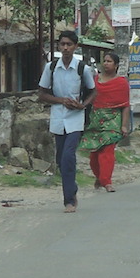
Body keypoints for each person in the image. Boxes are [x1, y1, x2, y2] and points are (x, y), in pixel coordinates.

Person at [38, 31, 95, 213]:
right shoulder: (51, 68)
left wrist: (82, 105)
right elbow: (42, 94)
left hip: (75, 119)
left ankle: (68, 200)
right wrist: (61, 101)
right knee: (61, 160)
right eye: (62, 44)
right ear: (58, 46)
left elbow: (93, 92)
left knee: (68, 156)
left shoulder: (82, 69)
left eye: (69, 44)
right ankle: (73, 189)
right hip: (58, 117)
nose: (65, 48)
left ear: (75, 46)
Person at [81, 50, 132, 193]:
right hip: (96, 119)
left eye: (109, 61)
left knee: (107, 151)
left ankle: (107, 181)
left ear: (116, 65)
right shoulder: (95, 80)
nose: (106, 64)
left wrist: (124, 126)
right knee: (94, 154)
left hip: (113, 120)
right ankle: (99, 177)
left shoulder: (121, 83)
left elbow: (125, 106)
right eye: (105, 61)